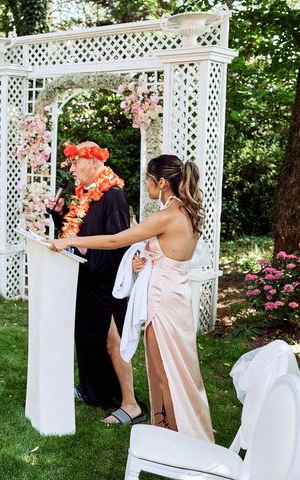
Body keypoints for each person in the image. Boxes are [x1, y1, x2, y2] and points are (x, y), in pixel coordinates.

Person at [49, 154, 214, 442]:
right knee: (176, 371)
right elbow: (173, 256)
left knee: (166, 373)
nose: (146, 184)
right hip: (174, 296)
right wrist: (144, 263)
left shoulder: (166, 216)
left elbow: (115, 240)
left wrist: (70, 240)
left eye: (149, 180)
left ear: (161, 182)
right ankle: (170, 430)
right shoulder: (187, 212)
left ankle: (183, 438)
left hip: (162, 302)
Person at [47, 141, 145, 425]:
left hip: (106, 281)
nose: (73, 168)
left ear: (94, 162)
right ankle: (94, 391)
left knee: (113, 341)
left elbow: (117, 242)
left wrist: (90, 258)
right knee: (89, 339)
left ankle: (130, 404)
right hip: (86, 276)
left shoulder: (112, 195)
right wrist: (59, 214)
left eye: (77, 163)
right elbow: (78, 232)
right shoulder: (83, 194)